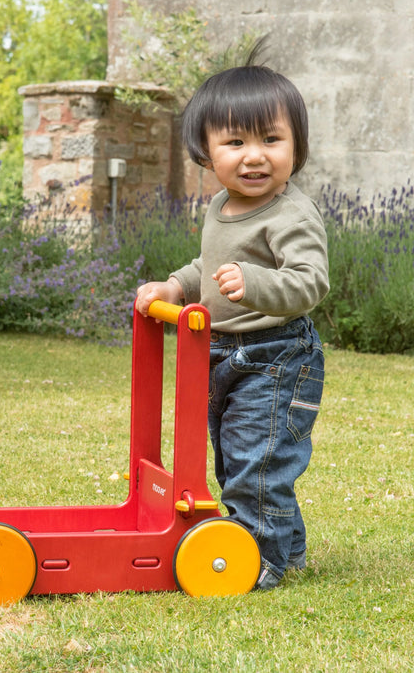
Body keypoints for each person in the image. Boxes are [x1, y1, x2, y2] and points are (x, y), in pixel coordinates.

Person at [135, 50, 329, 590]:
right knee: (234, 460)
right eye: (235, 143)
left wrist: (256, 283)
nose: (254, 157)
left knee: (257, 463)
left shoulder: (291, 213)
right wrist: (176, 285)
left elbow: (311, 280)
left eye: (271, 140)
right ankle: (286, 552)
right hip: (219, 353)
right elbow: (208, 267)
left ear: (297, 146)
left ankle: (257, 564)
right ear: (207, 152)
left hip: (276, 355)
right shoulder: (221, 205)